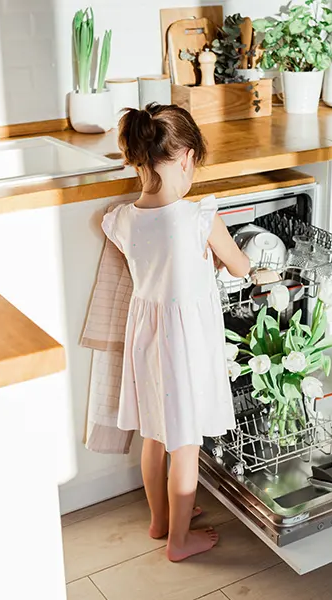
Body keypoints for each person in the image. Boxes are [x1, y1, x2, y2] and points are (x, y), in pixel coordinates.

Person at [101, 103, 250, 561]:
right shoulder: (200, 218)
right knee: (185, 442)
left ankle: (160, 521)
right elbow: (242, 267)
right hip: (186, 345)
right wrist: (226, 260)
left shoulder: (122, 219)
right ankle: (179, 542)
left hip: (146, 341)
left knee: (155, 435)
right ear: (186, 157)